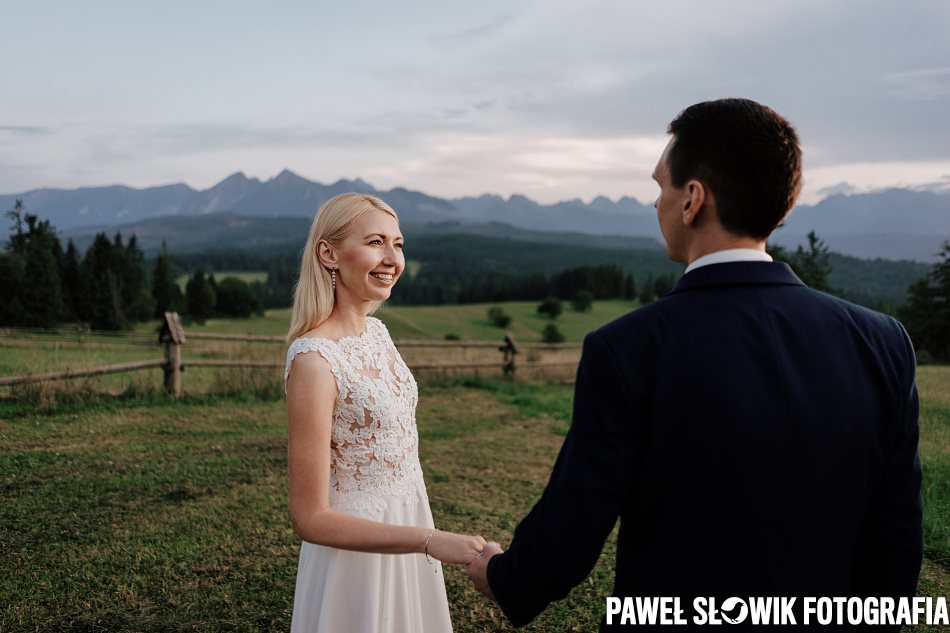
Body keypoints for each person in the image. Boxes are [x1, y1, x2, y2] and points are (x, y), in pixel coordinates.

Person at [466, 98, 923, 629]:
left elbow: (578, 516)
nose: (655, 203)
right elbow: (895, 533)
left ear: (692, 201)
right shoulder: (882, 340)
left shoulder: (630, 347)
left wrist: (504, 576)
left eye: (659, 187)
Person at [284, 193, 485, 632]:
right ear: (328, 253)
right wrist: (430, 542)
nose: (392, 258)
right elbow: (309, 517)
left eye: (399, 244)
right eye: (376, 242)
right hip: (356, 553)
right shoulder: (314, 362)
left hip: (410, 517)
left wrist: (421, 535)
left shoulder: (378, 332)